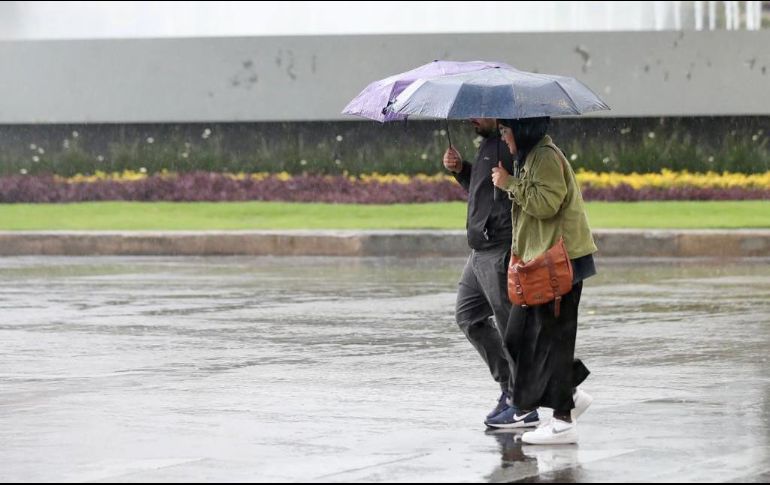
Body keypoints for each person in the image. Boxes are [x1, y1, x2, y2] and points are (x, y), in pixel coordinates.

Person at [492, 117, 597, 444]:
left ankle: (563, 420)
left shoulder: (546, 157)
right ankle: (570, 393)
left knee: (553, 340)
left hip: (561, 263)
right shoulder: (530, 157)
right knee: (521, 339)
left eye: (505, 131)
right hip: (543, 262)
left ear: (520, 130)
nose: (504, 139)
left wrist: (510, 183)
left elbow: (546, 204)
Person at [442, 118, 531, 427]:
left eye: (479, 111)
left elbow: (522, 193)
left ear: (497, 113)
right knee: (468, 316)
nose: (472, 118)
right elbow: (480, 192)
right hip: (479, 250)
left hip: (498, 248)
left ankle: (523, 402)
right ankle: (509, 388)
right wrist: (460, 170)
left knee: (510, 328)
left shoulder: (509, 145)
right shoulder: (488, 145)